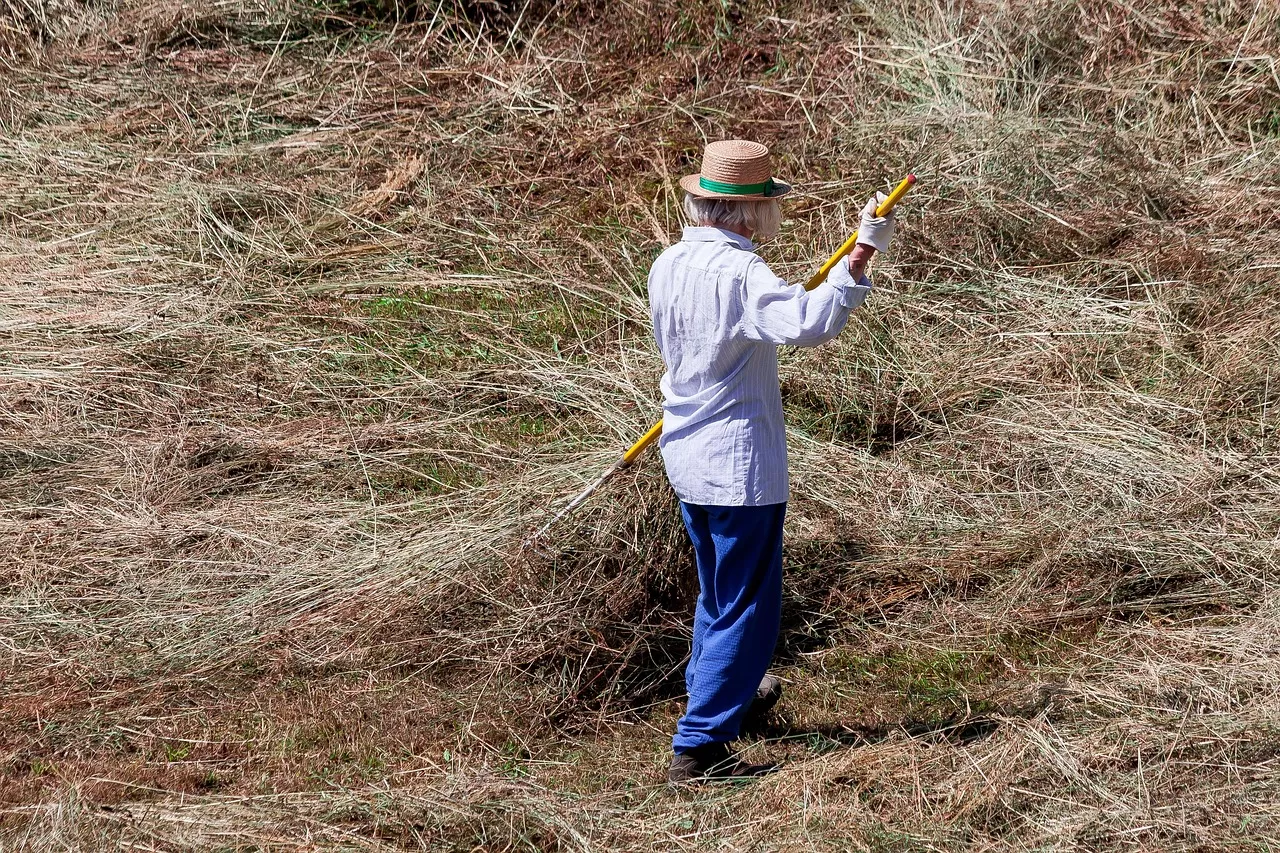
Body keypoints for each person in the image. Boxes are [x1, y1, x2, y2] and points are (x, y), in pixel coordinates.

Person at [647, 139, 895, 783]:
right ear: (749, 212)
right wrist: (861, 255)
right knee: (747, 603)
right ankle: (701, 744)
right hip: (736, 463)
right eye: (768, 206)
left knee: (719, 592)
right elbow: (809, 323)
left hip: (686, 450)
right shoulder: (740, 273)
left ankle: (725, 699)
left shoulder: (668, 263)